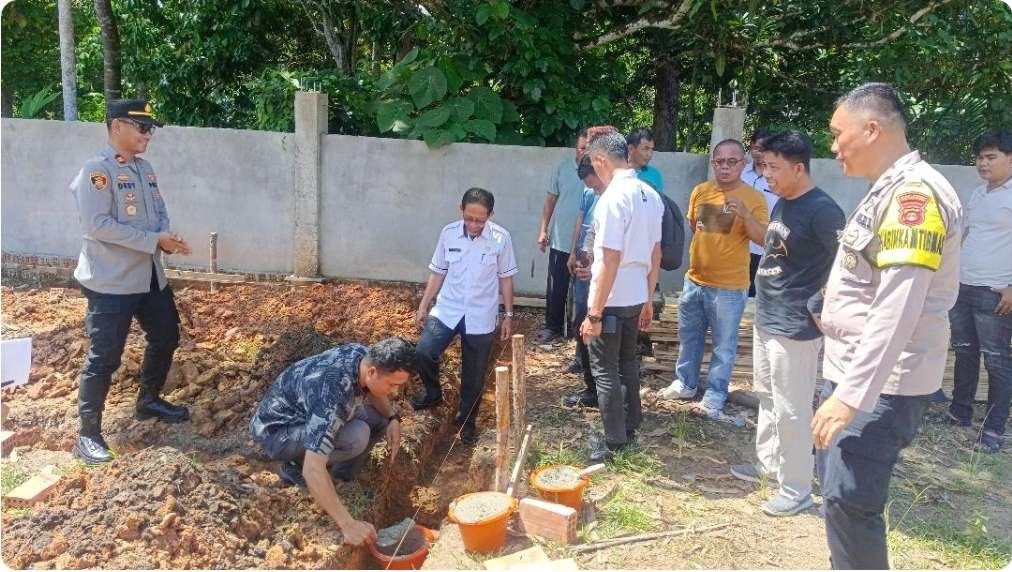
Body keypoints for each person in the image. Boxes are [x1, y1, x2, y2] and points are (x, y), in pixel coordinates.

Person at [812, 83, 963, 569]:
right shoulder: (890, 190)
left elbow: (898, 306)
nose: (833, 146)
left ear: (871, 128)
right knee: (837, 493)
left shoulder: (913, 197)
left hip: (881, 384)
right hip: (860, 374)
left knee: (851, 500)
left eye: (839, 133)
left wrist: (851, 395)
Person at [728, 130, 846, 517]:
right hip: (768, 315)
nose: (766, 176)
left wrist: (819, 302)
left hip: (795, 325)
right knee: (767, 396)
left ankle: (796, 490)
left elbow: (848, 265)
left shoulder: (823, 210)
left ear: (799, 168)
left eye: (773, 168)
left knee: (793, 408)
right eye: (763, 168)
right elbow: (776, 247)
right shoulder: (784, 203)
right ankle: (770, 464)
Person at [70, 99, 194, 465]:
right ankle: (88, 434)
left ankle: (148, 400)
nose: (148, 135)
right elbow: (97, 225)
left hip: (149, 276)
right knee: (104, 357)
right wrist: (153, 240)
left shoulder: (144, 169)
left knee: (166, 335)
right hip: (112, 281)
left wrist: (166, 239)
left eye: (150, 129)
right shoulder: (97, 171)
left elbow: (158, 212)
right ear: (117, 127)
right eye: (142, 128)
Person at [250, 337, 415, 547]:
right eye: (392, 385)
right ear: (372, 372)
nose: (395, 392)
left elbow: (376, 390)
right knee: (357, 436)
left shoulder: (363, 356)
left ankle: (339, 478)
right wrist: (348, 525)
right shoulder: (331, 398)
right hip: (277, 432)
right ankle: (290, 467)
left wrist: (393, 418)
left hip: (308, 414)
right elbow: (313, 467)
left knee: (378, 421)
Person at [657, 139, 768, 416]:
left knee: (724, 345)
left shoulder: (754, 198)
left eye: (732, 161)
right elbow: (696, 226)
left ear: (743, 164)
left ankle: (716, 394)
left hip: (729, 288)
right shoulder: (701, 191)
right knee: (689, 337)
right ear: (713, 163)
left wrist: (743, 213)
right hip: (694, 281)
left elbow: (763, 238)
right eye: (720, 161)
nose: (726, 167)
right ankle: (686, 384)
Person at [579, 130, 664, 463]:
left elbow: (610, 258)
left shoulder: (613, 198)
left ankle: (616, 441)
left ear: (600, 160)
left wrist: (594, 314)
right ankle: (631, 425)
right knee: (628, 362)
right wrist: (646, 298)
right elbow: (655, 253)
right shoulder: (648, 193)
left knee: (604, 370)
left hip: (611, 297)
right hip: (635, 294)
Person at [410, 188, 518, 445]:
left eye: (480, 220)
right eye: (469, 218)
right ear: (461, 210)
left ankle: (467, 422)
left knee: (474, 373)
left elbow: (506, 278)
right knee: (424, 351)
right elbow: (437, 272)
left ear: (490, 215)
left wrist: (508, 315)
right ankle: (434, 393)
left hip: (481, 314)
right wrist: (424, 305)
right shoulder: (448, 234)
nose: (473, 224)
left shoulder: (500, 239)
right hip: (448, 309)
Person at [946, 129, 1012, 453]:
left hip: (995, 292)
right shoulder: (979, 193)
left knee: (997, 361)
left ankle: (993, 430)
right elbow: (968, 234)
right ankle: (959, 413)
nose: (983, 163)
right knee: (964, 352)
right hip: (963, 285)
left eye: (991, 157)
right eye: (980, 158)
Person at [561, 154, 606, 409]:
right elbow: (589, 231)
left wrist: (596, 268)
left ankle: (603, 392)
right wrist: (581, 256)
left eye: (595, 184)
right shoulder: (593, 195)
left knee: (602, 338)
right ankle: (592, 388)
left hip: (609, 285)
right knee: (582, 327)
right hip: (591, 276)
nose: (593, 190)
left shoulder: (622, 199)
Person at [536, 130, 589, 343]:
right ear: (576, 147)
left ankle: (580, 333)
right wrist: (543, 229)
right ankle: (553, 327)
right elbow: (551, 199)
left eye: (588, 148)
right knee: (556, 286)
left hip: (586, 243)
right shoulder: (562, 167)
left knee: (584, 291)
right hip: (561, 237)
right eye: (581, 147)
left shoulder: (598, 172)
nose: (584, 151)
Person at [742, 129, 778, 297]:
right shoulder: (741, 173)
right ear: (750, 147)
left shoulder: (776, 178)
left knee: (758, 292)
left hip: (765, 245)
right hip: (739, 243)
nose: (759, 153)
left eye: (763, 149)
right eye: (756, 148)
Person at [627, 128, 665, 194]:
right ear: (631, 149)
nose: (650, 154)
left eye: (651, 149)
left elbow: (659, 202)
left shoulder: (655, 174)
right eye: (646, 149)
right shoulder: (619, 172)